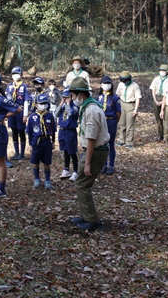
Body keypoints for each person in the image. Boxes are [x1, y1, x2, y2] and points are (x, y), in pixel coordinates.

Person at [68, 77, 110, 231]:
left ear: (81, 95)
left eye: (73, 95)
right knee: (81, 183)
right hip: (93, 150)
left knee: (82, 184)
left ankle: (91, 219)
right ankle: (86, 216)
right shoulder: (88, 107)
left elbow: (91, 138)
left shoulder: (91, 110)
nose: (73, 99)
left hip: (96, 151)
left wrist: (87, 163)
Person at [26, 93, 56, 189]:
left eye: (45, 103)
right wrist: (30, 144)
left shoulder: (50, 116)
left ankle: (47, 180)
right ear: (36, 105)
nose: (43, 105)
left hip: (46, 141)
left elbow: (53, 130)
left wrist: (53, 142)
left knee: (47, 162)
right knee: (36, 161)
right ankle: (37, 179)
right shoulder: (32, 117)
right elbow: (29, 132)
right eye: (41, 103)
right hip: (36, 142)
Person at [96, 76, 121, 175]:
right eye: (104, 83)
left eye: (108, 83)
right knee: (102, 144)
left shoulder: (115, 97)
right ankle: (103, 164)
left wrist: (115, 121)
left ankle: (111, 165)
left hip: (111, 121)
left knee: (110, 144)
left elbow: (118, 112)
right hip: (101, 122)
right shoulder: (98, 97)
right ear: (101, 85)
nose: (106, 85)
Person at [5, 66, 31, 160]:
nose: (15, 75)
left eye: (17, 73)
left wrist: (25, 115)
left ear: (21, 75)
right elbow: (6, 100)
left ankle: (22, 153)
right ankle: (16, 152)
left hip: (20, 111)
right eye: (14, 74)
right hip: (12, 112)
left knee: (21, 131)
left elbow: (26, 101)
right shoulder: (9, 86)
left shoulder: (24, 87)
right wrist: (6, 113)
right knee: (14, 131)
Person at [57, 89, 79, 182]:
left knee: (72, 151)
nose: (65, 99)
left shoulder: (74, 107)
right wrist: (61, 103)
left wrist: (68, 103)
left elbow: (70, 114)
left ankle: (75, 171)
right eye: (64, 97)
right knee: (65, 150)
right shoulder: (63, 106)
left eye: (67, 97)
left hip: (70, 131)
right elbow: (56, 113)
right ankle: (66, 169)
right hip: (62, 130)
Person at [115, 71, 142, 148]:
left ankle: (129, 142)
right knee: (122, 124)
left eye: (125, 81)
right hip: (122, 104)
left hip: (131, 105)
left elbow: (138, 98)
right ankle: (121, 140)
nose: (124, 82)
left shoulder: (135, 86)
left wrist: (135, 109)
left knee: (130, 125)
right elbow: (117, 95)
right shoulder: (121, 84)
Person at [149, 64, 168, 141]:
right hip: (157, 97)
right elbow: (153, 90)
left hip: (165, 99)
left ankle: (166, 135)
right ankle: (160, 134)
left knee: (166, 118)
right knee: (158, 118)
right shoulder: (156, 79)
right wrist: (156, 100)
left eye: (163, 70)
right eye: (161, 70)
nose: (162, 72)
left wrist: (163, 101)